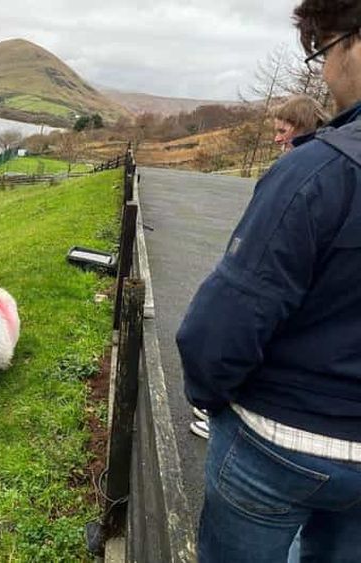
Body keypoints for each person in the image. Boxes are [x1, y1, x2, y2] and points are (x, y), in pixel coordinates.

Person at [176, 0, 361, 560]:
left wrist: (210, 398)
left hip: (278, 440)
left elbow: (222, 325)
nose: (324, 71)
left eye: (324, 51)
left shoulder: (316, 173)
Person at [188, 94, 330, 441]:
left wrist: (210, 387)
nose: (277, 139)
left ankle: (221, 411)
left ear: (302, 128)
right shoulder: (331, 165)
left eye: (283, 131)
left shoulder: (301, 173)